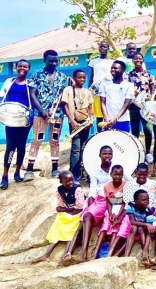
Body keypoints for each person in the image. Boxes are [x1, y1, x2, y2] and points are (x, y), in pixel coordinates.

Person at [26, 50, 70, 180]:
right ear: (44, 60)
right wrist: (41, 110)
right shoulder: (37, 74)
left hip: (57, 115)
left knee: (55, 141)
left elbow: (63, 97)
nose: (54, 63)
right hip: (40, 114)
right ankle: (29, 170)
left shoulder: (62, 77)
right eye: (51, 61)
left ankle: (55, 170)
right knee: (37, 140)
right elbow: (32, 94)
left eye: (56, 61)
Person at [65, 146, 113, 264]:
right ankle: (69, 253)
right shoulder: (95, 172)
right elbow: (92, 190)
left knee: (87, 218)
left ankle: (83, 253)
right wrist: (91, 204)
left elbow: (127, 182)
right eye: (105, 154)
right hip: (97, 198)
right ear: (99, 155)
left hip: (109, 200)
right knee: (83, 222)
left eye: (109, 154)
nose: (107, 156)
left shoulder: (116, 169)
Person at [32, 171, 84, 264]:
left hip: (77, 213)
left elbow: (79, 207)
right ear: (61, 182)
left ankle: (67, 254)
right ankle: (47, 254)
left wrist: (65, 209)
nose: (70, 183)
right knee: (57, 226)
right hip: (69, 212)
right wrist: (67, 209)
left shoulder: (78, 189)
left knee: (71, 231)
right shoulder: (59, 189)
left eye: (71, 180)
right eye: (67, 181)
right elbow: (59, 206)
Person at [0, 59, 32, 189]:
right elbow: (2, 96)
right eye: (20, 66)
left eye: (25, 67)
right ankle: (5, 176)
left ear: (28, 69)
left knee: (21, 145)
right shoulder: (9, 81)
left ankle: (18, 172)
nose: (22, 68)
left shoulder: (30, 83)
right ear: (16, 67)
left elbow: (34, 99)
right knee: (10, 146)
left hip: (25, 119)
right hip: (11, 118)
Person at [61, 69, 93, 183]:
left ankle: (81, 172)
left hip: (85, 123)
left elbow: (90, 108)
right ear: (74, 77)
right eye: (80, 77)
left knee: (83, 147)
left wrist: (90, 120)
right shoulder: (68, 90)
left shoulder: (88, 92)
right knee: (75, 148)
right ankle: (73, 173)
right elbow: (64, 106)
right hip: (74, 123)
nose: (82, 80)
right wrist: (72, 121)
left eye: (84, 77)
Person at [96, 165, 131, 258]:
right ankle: (95, 253)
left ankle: (110, 254)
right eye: (115, 174)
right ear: (111, 174)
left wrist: (119, 217)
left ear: (122, 175)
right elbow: (108, 201)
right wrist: (111, 214)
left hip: (123, 210)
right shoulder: (107, 186)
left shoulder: (126, 185)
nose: (117, 177)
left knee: (117, 227)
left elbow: (125, 203)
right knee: (106, 223)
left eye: (120, 175)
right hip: (112, 208)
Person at [127, 53, 154, 161]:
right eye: (136, 58)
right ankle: (136, 152)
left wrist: (150, 98)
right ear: (133, 61)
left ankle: (147, 152)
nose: (138, 60)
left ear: (143, 60)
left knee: (148, 130)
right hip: (134, 106)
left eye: (140, 58)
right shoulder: (129, 75)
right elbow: (126, 89)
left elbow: (152, 89)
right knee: (135, 130)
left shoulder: (149, 74)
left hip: (145, 106)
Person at [98, 60, 134, 133]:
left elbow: (126, 104)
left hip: (123, 120)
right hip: (108, 122)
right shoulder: (104, 84)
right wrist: (106, 118)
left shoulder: (129, 85)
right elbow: (102, 102)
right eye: (111, 68)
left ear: (122, 70)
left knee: (123, 142)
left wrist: (116, 118)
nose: (112, 70)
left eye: (115, 68)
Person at [124, 190, 156, 267]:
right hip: (131, 227)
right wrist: (146, 224)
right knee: (134, 228)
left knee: (140, 229)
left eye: (148, 199)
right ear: (136, 201)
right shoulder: (131, 204)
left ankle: (145, 256)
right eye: (143, 200)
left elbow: (150, 231)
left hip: (142, 229)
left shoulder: (148, 211)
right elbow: (132, 221)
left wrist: (145, 249)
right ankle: (126, 257)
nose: (146, 201)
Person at [88, 41, 114, 125]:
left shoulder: (112, 62)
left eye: (105, 47)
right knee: (99, 113)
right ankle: (100, 132)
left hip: (108, 89)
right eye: (101, 47)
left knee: (108, 110)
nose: (102, 48)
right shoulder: (93, 62)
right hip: (96, 90)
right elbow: (91, 76)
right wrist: (89, 90)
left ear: (108, 49)